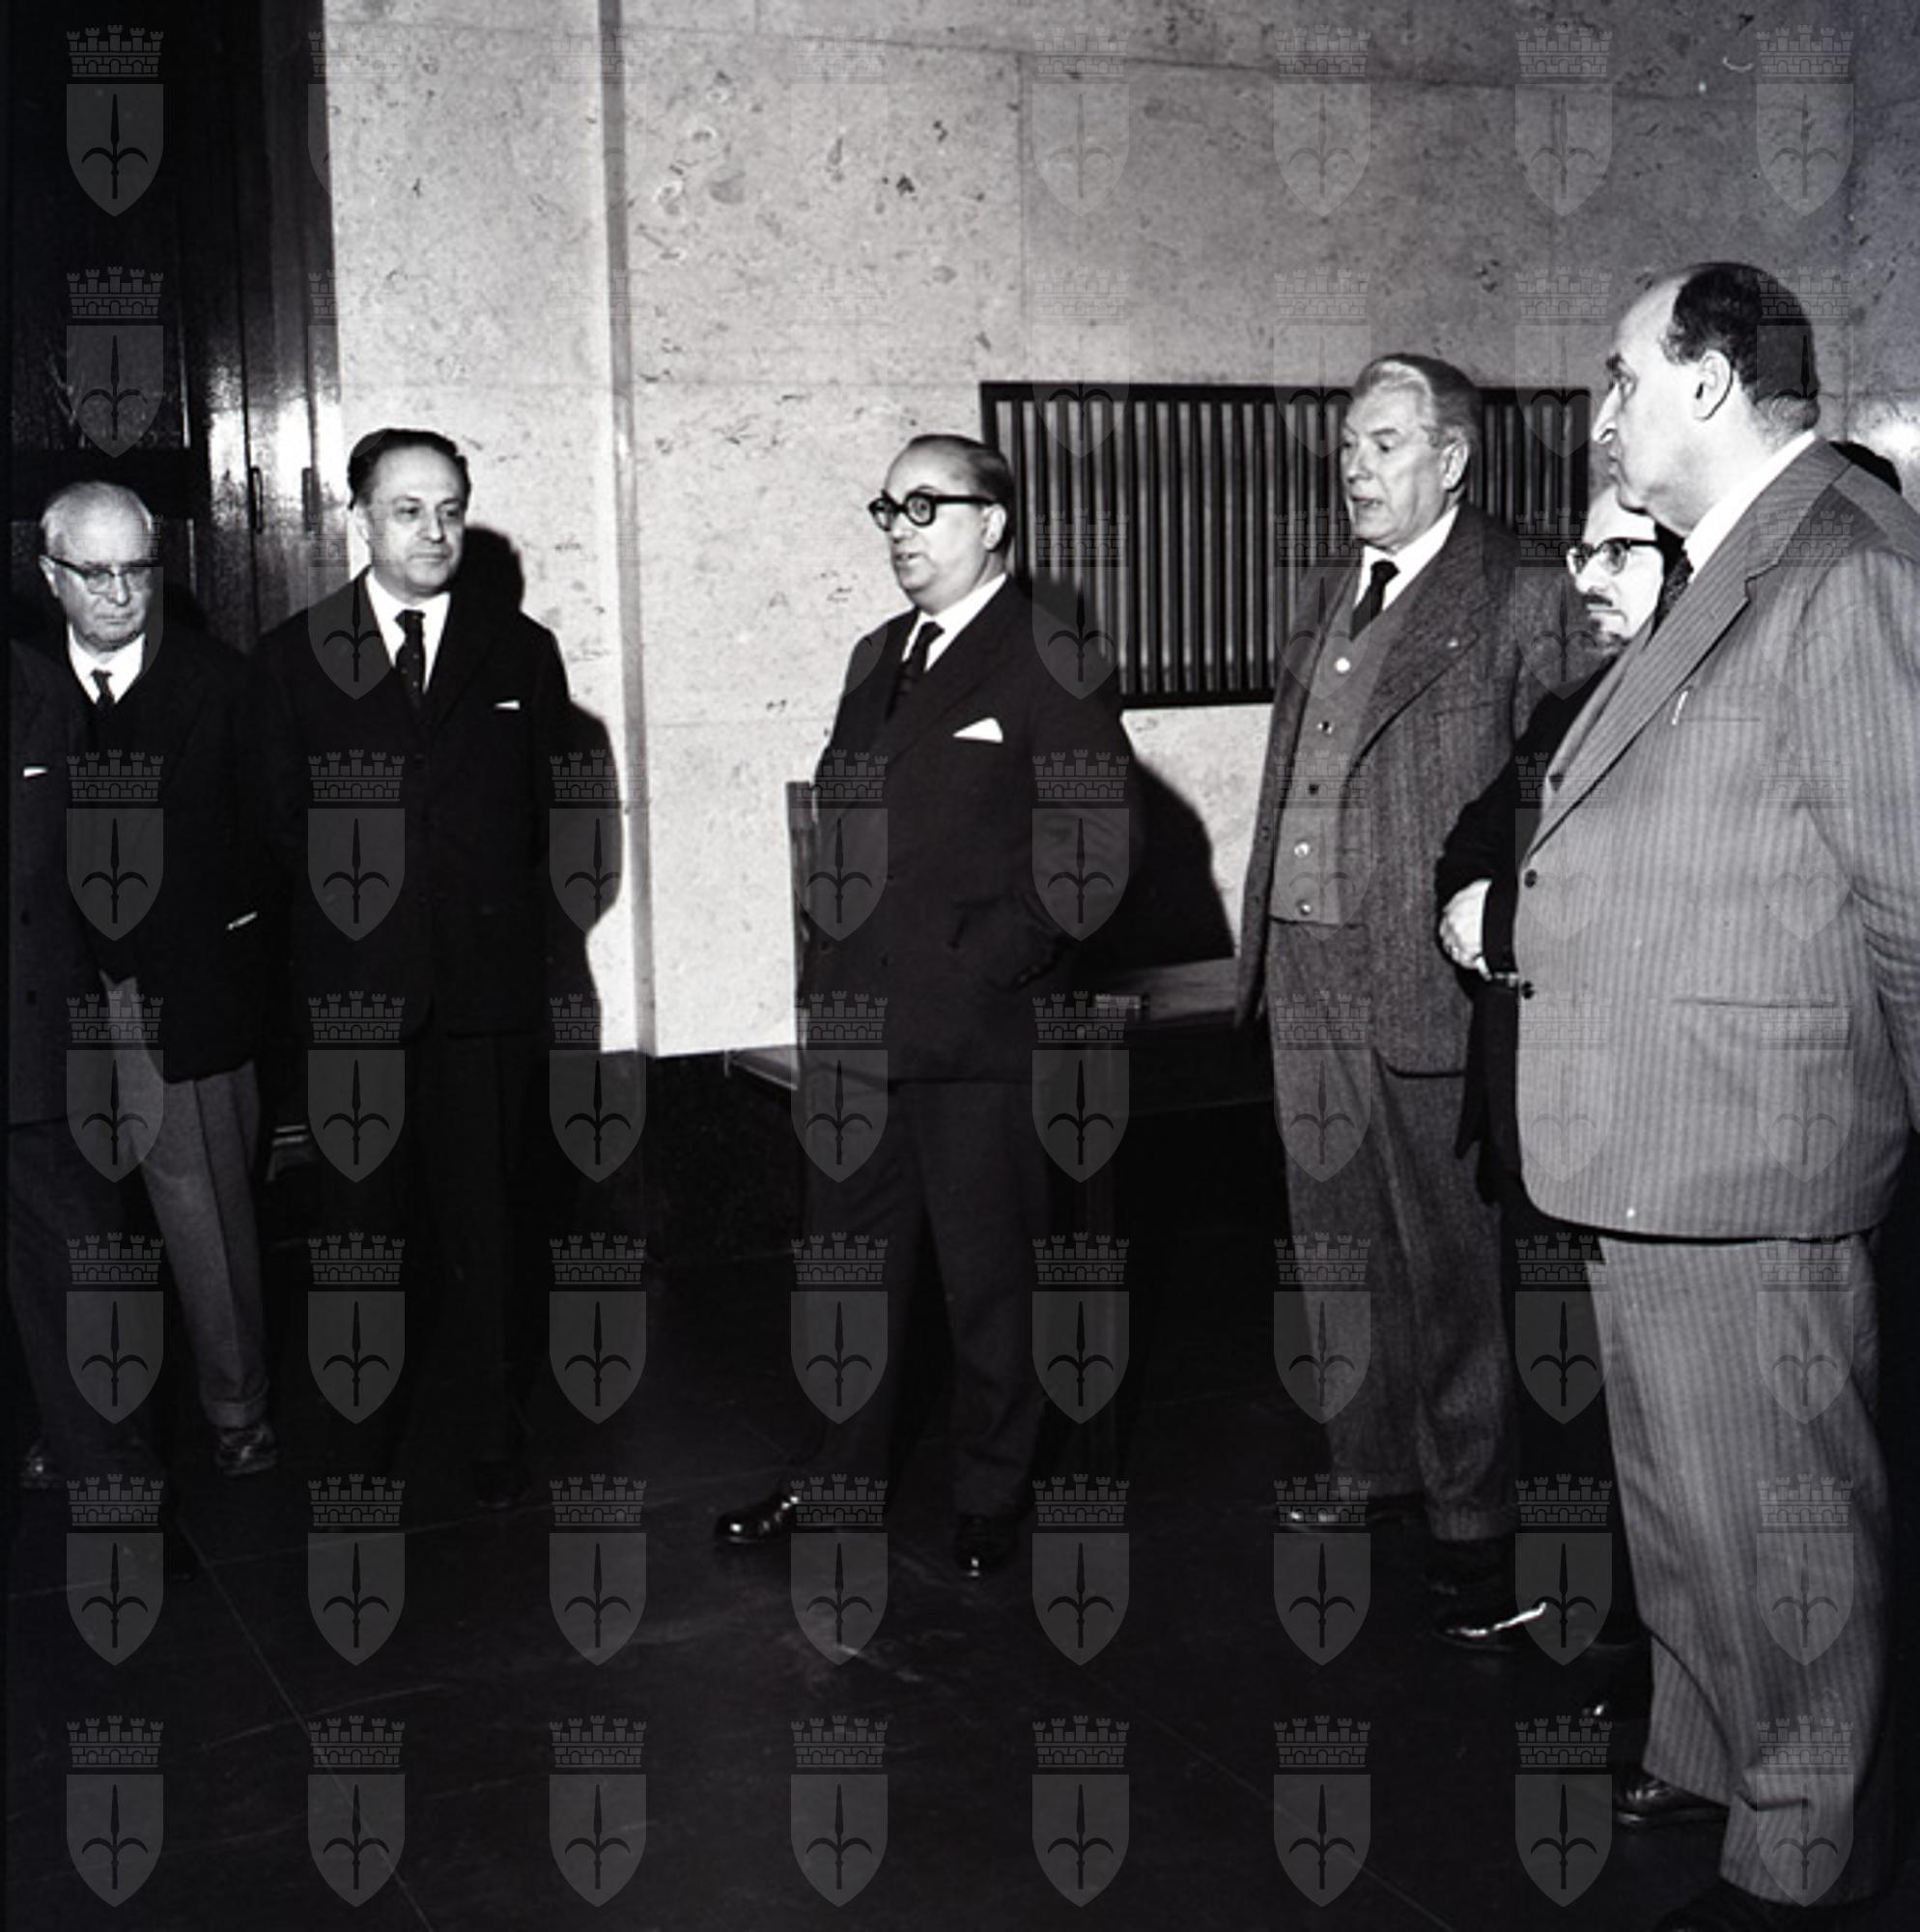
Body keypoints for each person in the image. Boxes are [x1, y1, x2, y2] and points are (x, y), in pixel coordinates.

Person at [1514, 263, 1919, 1931]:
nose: (1600, 415)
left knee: (1778, 1526)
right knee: (1686, 1504)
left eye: (1620, 377)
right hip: (1660, 1134)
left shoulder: (1844, 565)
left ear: (1705, 378)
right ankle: (1707, 1750)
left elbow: (1910, 896)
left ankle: (1804, 1843)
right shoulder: (1736, 559)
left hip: (1755, 1141)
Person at [714, 433, 1133, 1577]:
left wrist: (985, 954)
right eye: (887, 508)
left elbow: (1094, 849)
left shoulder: (1053, 659)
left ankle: (991, 1490)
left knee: (990, 1278)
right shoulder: (875, 654)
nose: (899, 529)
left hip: (979, 1030)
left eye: (925, 506)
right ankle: (833, 1477)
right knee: (845, 1273)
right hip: (857, 1027)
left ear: (992, 523)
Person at [1237, 353, 1598, 1623]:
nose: (1355, 468)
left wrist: (1503, 925)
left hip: (1426, 969)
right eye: (1348, 445)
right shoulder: (1332, 587)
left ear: (1451, 457)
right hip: (1305, 963)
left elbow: (1561, 789)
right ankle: (1369, 1462)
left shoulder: (1525, 589)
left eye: (1384, 444)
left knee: (1451, 1257)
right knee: (1336, 1240)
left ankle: (1470, 1506)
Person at [249, 428, 572, 1511]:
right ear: (359, 520)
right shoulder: (292, 659)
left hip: (484, 999)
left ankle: (490, 1430)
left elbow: (549, 818)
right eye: (407, 510)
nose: (434, 532)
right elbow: (278, 832)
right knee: (358, 1232)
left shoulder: (520, 652)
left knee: (489, 1225)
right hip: (355, 999)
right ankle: (353, 1442)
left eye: (450, 510)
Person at [1428, 481, 1671, 1654]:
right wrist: (1466, 907)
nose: (1586, 579)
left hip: (1634, 1123)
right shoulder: (1570, 706)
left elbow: (1651, 907)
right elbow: (1471, 839)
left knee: (1645, 1404)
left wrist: (1508, 922)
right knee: (1553, 1376)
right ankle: (1573, 1603)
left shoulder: (1693, 718)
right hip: (1530, 1110)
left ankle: (1639, 1633)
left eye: (1618, 552)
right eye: (1581, 552)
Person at [25, 482, 274, 1481]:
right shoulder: (24, 682)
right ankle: (75, 1423)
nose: (121, 593)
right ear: (50, 574)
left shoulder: (222, 683)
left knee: (205, 1215)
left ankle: (238, 1408)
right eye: (95, 573)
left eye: (138, 569)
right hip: (48, 1000)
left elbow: (271, 852)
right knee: (62, 1234)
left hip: (176, 995)